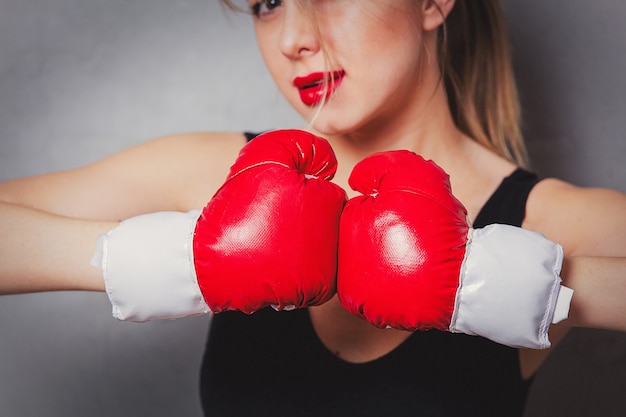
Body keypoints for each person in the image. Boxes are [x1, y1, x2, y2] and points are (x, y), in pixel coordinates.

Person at [1, 0, 625, 416]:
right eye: (268, 0)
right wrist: (173, 259)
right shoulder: (212, 174)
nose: (295, 38)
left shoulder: (551, 224)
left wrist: (503, 280)